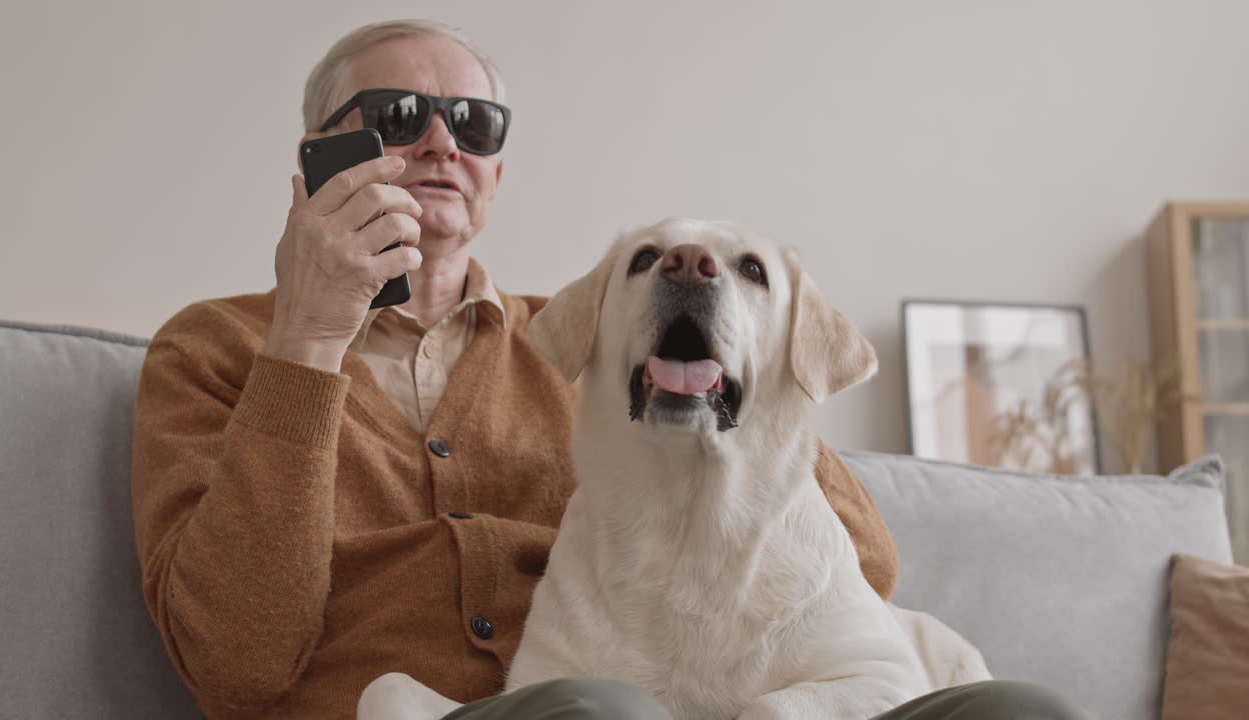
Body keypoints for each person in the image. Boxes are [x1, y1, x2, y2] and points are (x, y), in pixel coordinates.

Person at [130, 19, 1091, 720]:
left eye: (474, 122)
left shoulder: (595, 336)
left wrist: (734, 372)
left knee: (1026, 712)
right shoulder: (215, 350)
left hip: (646, 700)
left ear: (495, 175)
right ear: (318, 157)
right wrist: (307, 336)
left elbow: (859, 563)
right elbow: (235, 661)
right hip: (491, 711)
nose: (440, 142)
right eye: (397, 114)